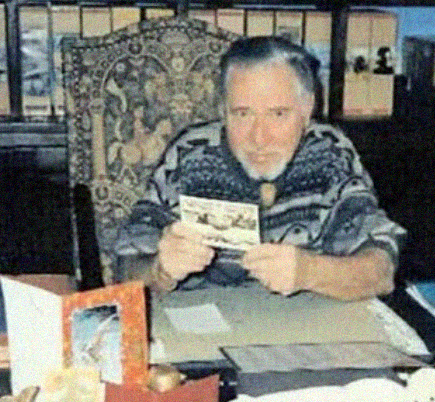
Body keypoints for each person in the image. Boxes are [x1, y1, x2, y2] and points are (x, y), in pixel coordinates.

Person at [113, 35, 406, 301]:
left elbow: (381, 271)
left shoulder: (329, 153)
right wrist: (160, 270)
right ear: (222, 111)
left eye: (278, 114)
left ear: (307, 110)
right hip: (201, 330)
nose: (259, 138)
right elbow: (124, 271)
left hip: (306, 330)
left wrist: (309, 271)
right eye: (242, 114)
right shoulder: (191, 154)